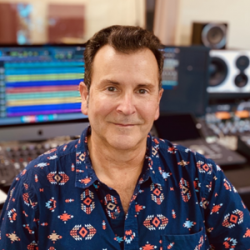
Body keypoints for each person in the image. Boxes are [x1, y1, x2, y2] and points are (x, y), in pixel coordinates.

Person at [0, 25, 249, 250]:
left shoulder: (201, 177)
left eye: (142, 90)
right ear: (85, 97)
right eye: (112, 88)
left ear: (157, 102)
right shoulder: (34, 186)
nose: (127, 108)